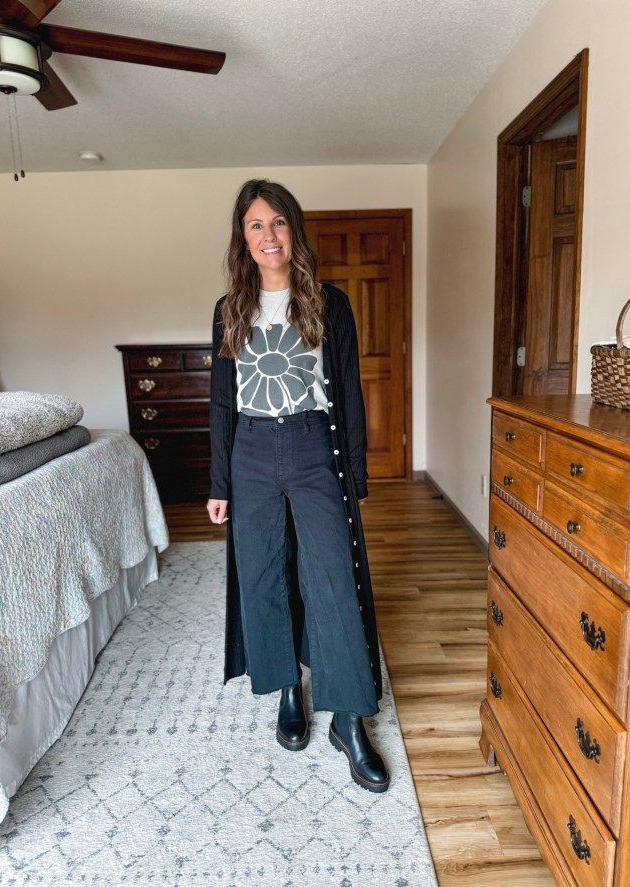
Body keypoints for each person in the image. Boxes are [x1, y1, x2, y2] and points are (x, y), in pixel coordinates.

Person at [206, 178, 389, 793]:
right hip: (251, 450)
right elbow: (221, 405)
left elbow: (350, 392)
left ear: (294, 232)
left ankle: (347, 718)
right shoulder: (229, 310)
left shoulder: (330, 304)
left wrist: (355, 472)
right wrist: (220, 480)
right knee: (263, 574)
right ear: (244, 238)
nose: (268, 235)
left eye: (278, 223)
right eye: (256, 225)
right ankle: (289, 687)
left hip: (315, 447)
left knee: (332, 576)